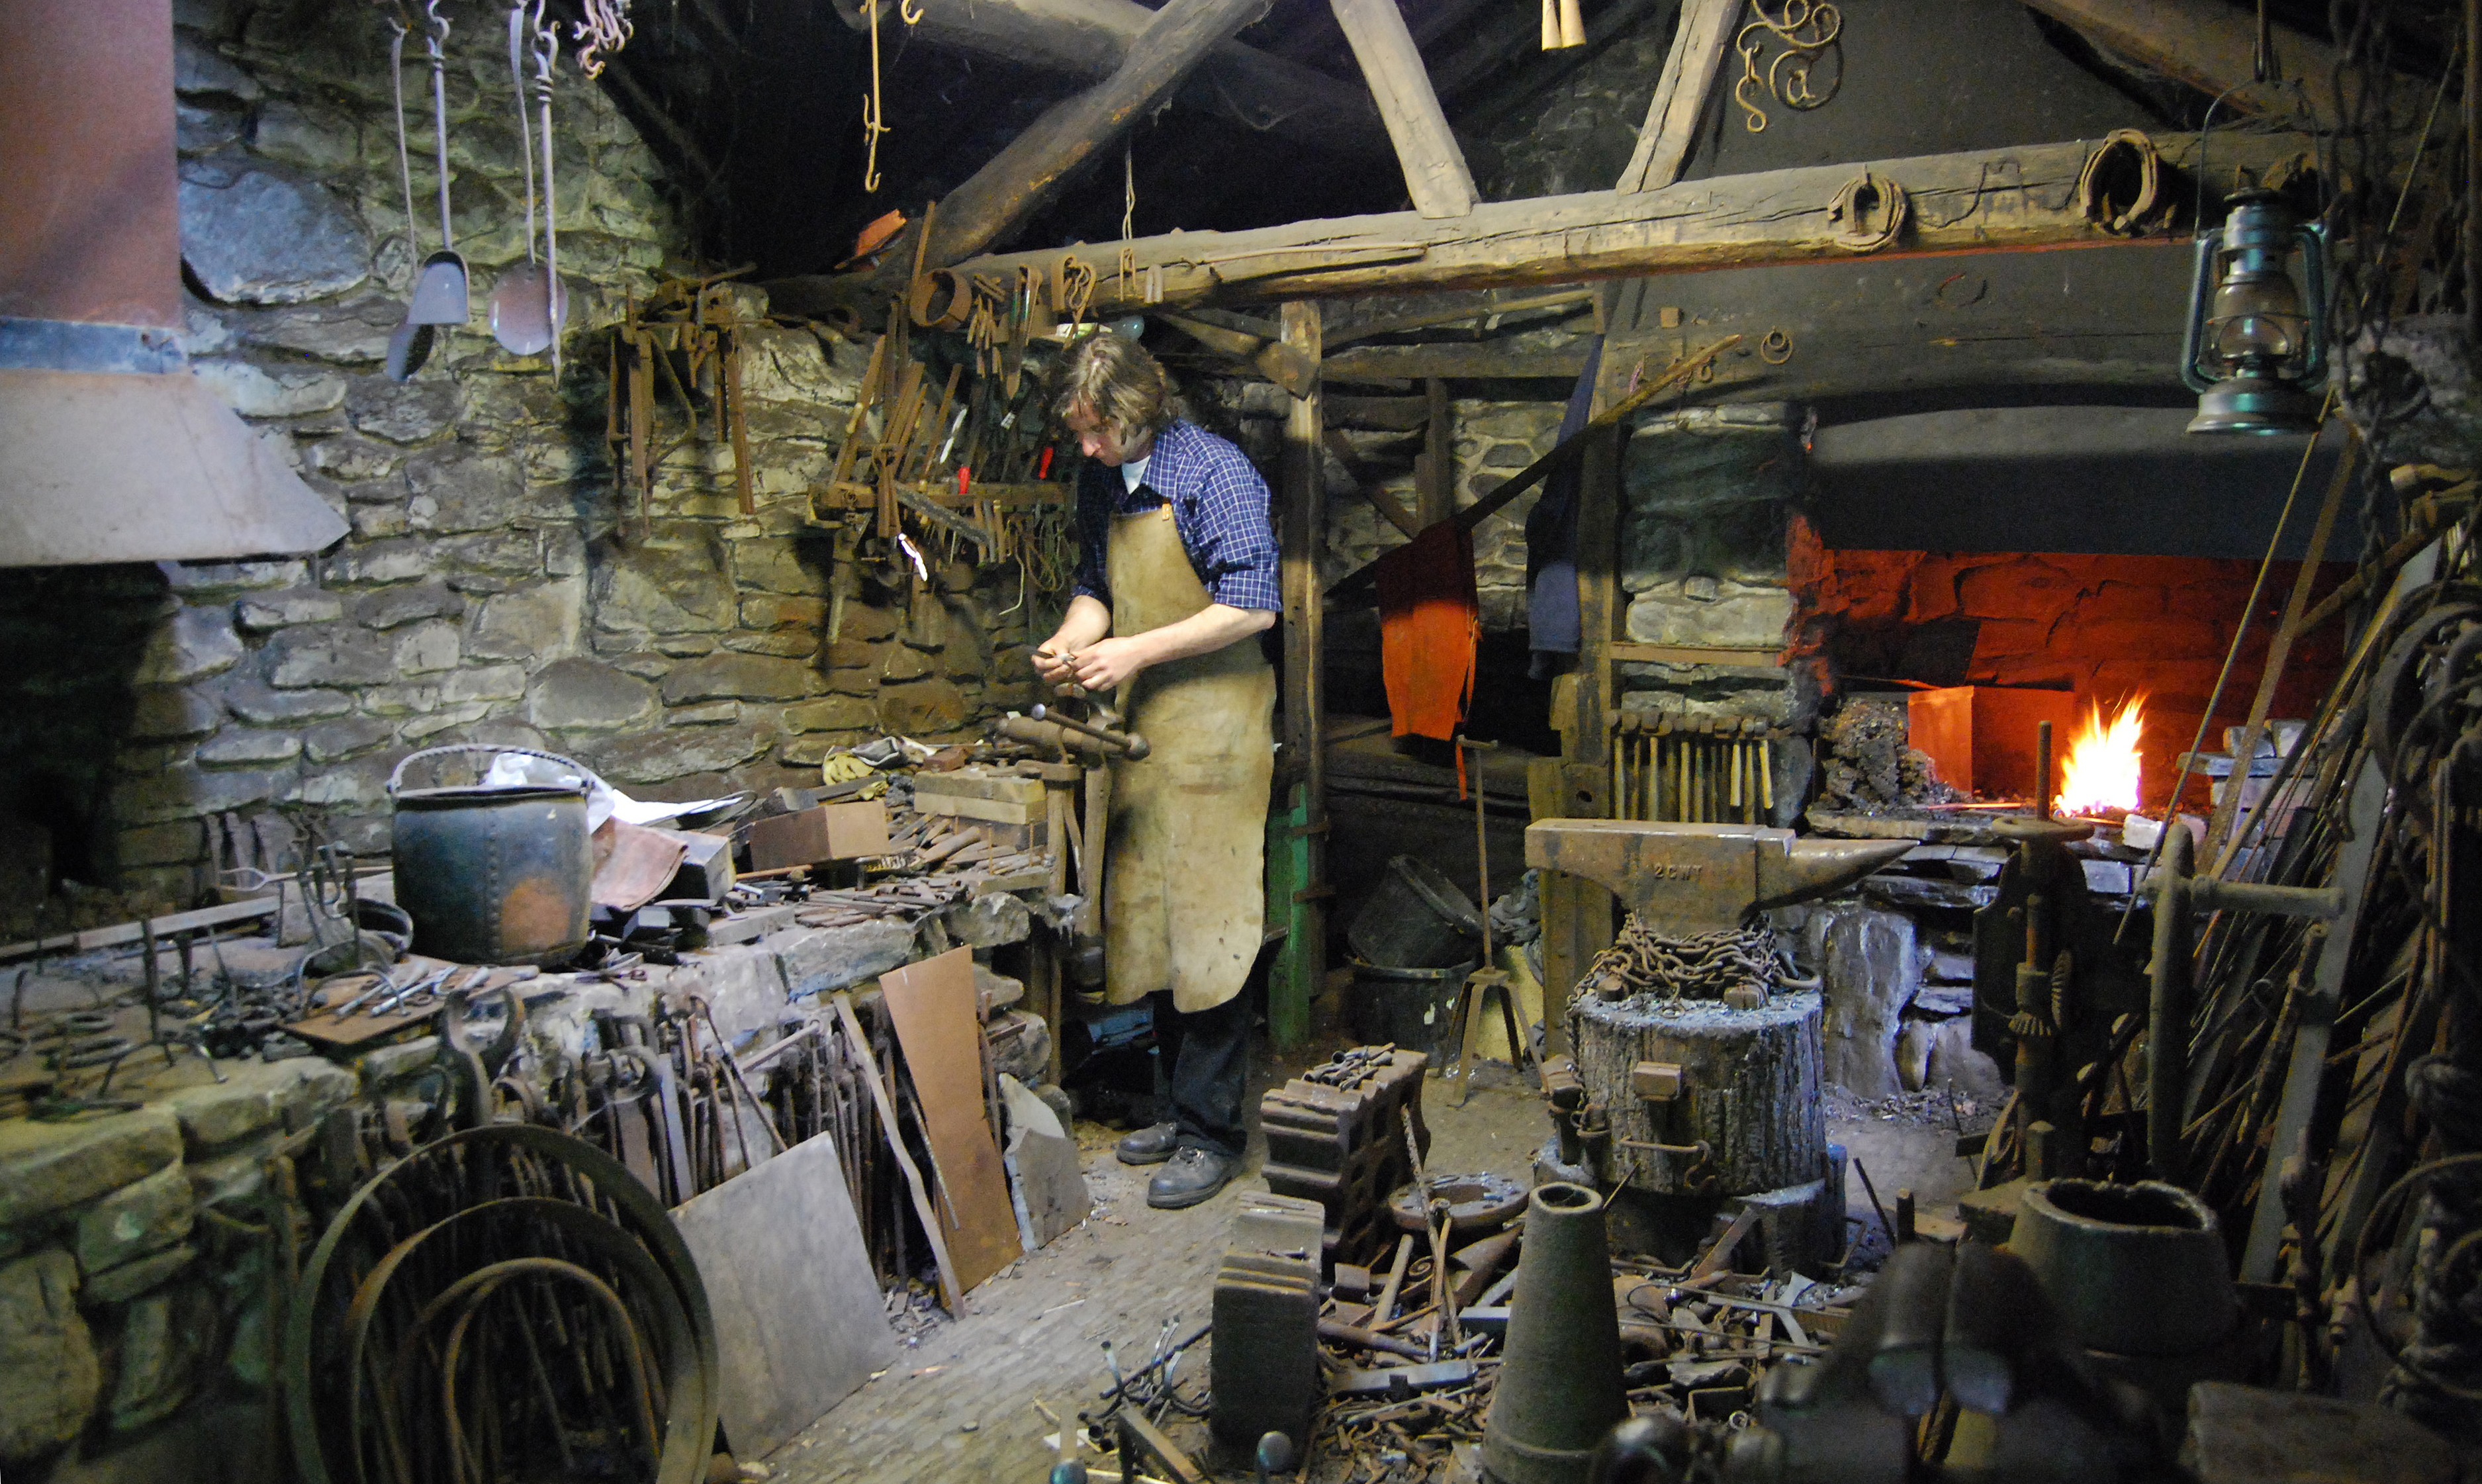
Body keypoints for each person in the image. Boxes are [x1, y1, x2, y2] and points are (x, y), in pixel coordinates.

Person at [1033, 331, 1279, 1210]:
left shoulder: (1216, 474)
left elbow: (1252, 604)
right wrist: (1072, 641)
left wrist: (1135, 649)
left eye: (1098, 432)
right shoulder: (1104, 476)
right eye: (1082, 432)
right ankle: (1180, 1113)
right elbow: (1098, 585)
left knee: (1210, 926)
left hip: (1215, 727)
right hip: (1146, 728)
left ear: (1136, 413)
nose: (1087, 449)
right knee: (1155, 924)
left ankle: (1215, 1135)